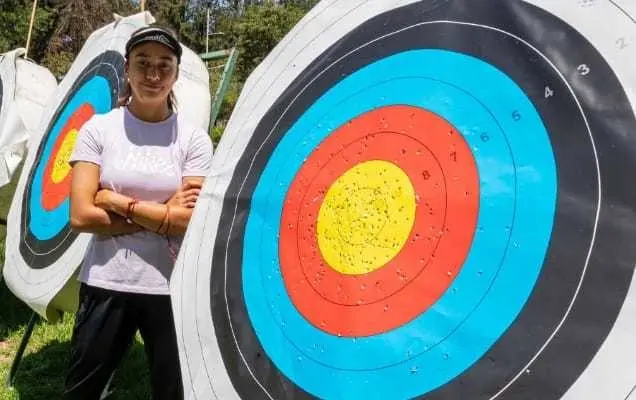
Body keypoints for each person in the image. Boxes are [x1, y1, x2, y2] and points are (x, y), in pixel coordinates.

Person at [64, 26, 212, 400]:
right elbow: (81, 215)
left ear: (176, 74)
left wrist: (117, 202)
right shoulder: (98, 129)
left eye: (165, 64)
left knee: (174, 390)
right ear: (127, 69)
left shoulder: (193, 139)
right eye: (143, 63)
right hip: (106, 281)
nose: (153, 74)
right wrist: (163, 214)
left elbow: (189, 221)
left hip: (172, 286)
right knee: (83, 388)